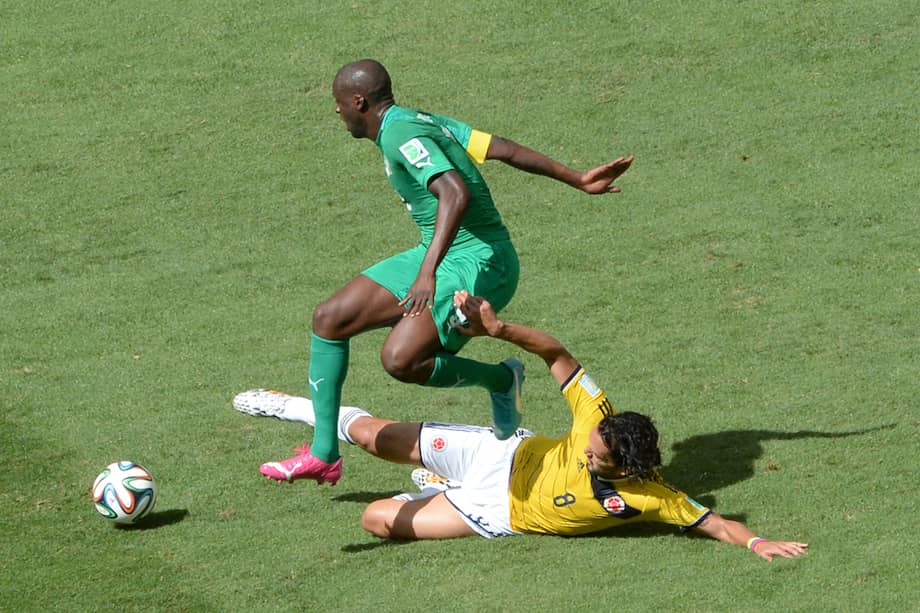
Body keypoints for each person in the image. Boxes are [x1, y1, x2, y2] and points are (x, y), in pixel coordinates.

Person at [256, 58, 634, 485]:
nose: (337, 110)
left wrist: (427, 273)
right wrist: (576, 178)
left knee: (400, 360)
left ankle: (499, 379)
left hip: (481, 261)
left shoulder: (400, 133)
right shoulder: (419, 120)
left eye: (339, 102)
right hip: (440, 251)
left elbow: (455, 193)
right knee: (329, 318)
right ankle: (324, 455)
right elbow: (502, 148)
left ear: (358, 102)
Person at [232, 291, 809, 561]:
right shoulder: (597, 418)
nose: (587, 452)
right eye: (591, 445)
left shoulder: (651, 498)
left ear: (627, 469)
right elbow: (557, 353)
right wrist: (500, 330)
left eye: (598, 458)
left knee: (376, 519)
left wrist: (759, 542)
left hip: (494, 511)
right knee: (368, 436)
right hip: (500, 454)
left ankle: (442, 491)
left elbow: (717, 524)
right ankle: (295, 407)